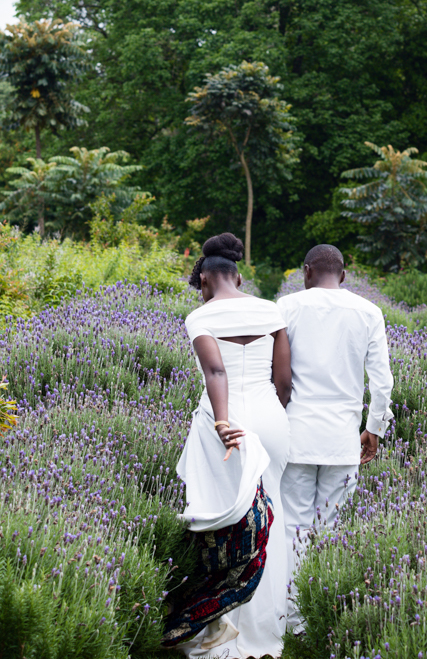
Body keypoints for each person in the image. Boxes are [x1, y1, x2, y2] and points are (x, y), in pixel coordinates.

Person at [166, 232, 292, 659]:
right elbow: (284, 380)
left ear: (204, 278)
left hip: (227, 424)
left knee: (225, 527)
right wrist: (274, 417)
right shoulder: (270, 309)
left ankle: (219, 627)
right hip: (272, 419)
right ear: (237, 276)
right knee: (268, 521)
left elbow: (215, 372)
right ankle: (267, 631)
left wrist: (223, 422)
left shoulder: (200, 317)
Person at [277, 243, 393, 634]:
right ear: (343, 275)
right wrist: (374, 428)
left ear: (306, 272)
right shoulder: (368, 312)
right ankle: (319, 611)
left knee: (293, 526)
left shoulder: (286, 308)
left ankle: (293, 618)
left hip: (296, 434)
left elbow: (275, 375)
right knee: (329, 528)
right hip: (343, 439)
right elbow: (382, 381)